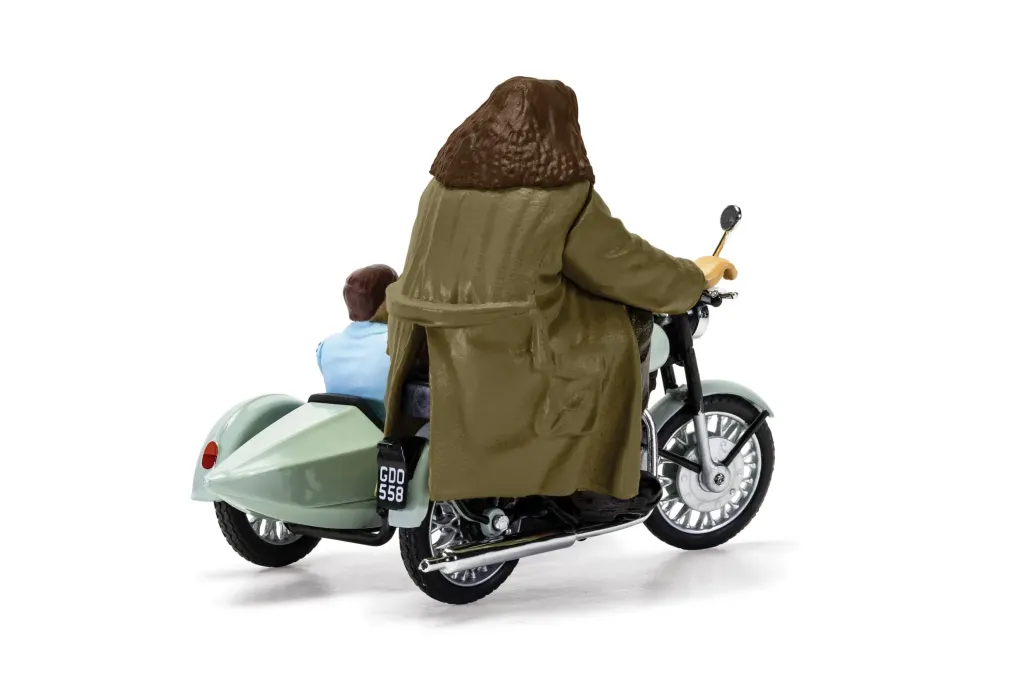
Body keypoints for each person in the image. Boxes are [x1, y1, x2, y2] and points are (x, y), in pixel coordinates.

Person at [382, 77, 736, 508]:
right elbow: (624, 264)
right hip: (510, 347)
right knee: (630, 329)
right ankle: (601, 477)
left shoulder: (439, 190)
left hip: (427, 342)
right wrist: (693, 278)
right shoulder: (564, 198)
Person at [316, 264, 398, 419]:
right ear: (389, 301)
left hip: (342, 428)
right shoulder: (398, 345)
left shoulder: (326, 347)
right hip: (388, 432)